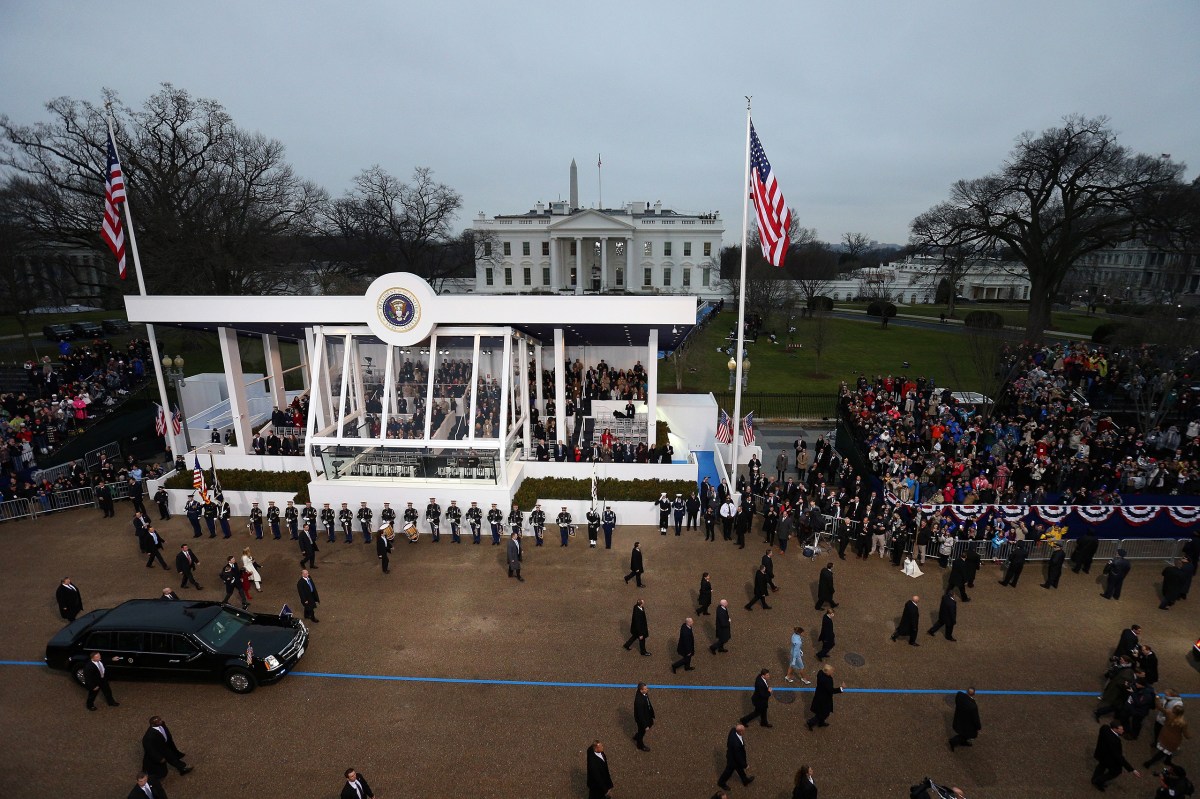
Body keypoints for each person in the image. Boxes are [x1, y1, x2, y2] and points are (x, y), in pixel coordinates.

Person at [1092, 720, 1141, 790]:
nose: (1123, 731)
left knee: (1101, 766)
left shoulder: (1104, 728)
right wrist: (1132, 769)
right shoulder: (1115, 741)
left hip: (1101, 754)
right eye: (1121, 729)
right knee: (1116, 771)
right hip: (1109, 758)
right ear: (1115, 729)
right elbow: (1119, 757)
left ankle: (1094, 779)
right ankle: (1098, 781)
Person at [141, 715, 191, 779]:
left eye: (160, 720)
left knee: (172, 758)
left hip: (165, 746)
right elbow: (150, 749)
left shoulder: (162, 724)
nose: (161, 721)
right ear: (153, 724)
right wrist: (159, 758)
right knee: (163, 763)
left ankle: (182, 769)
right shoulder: (149, 736)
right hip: (159, 750)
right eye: (158, 721)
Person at [806, 664, 846, 730]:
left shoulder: (820, 673)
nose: (832, 672)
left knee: (822, 712)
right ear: (827, 672)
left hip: (819, 695)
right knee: (824, 713)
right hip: (824, 699)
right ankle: (811, 722)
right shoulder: (828, 681)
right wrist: (841, 688)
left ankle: (821, 723)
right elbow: (831, 690)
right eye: (831, 671)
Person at [716, 724, 754, 790]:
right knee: (728, 772)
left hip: (731, 755)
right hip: (733, 760)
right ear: (740, 732)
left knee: (739, 769)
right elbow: (738, 757)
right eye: (743, 731)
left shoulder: (733, 730)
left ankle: (745, 780)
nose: (744, 732)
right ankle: (721, 782)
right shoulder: (737, 744)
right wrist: (745, 765)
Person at [633, 682, 655, 751]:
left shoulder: (642, 694)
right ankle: (640, 745)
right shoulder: (639, 701)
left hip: (646, 715)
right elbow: (641, 715)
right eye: (645, 689)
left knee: (641, 730)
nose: (647, 690)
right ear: (641, 690)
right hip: (642, 720)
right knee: (642, 732)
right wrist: (645, 725)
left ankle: (637, 736)